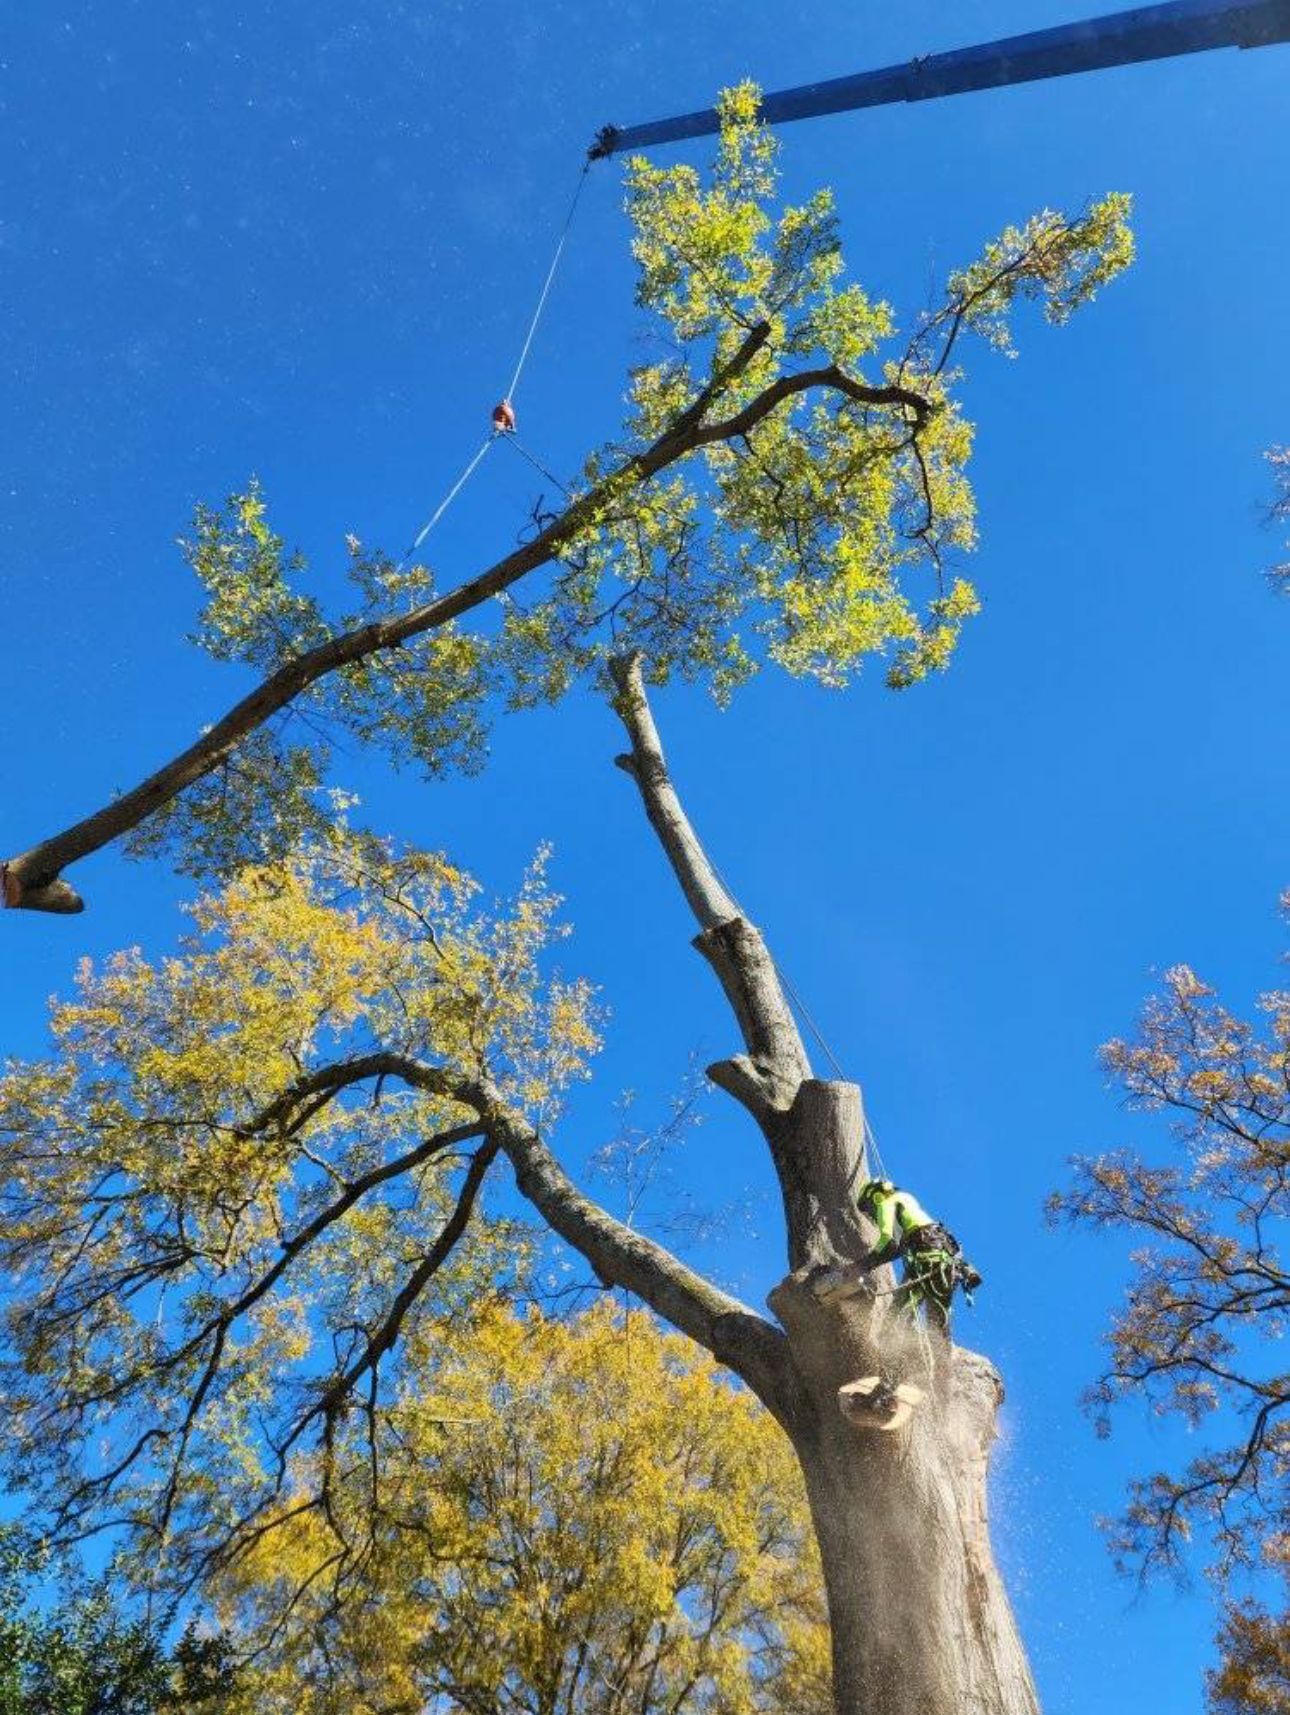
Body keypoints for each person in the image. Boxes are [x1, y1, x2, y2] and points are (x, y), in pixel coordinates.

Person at [855, 1178, 982, 1344]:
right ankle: (939, 1364)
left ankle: (890, 1353)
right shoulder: (907, 1201)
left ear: (875, 1196)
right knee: (938, 1323)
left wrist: (859, 1266)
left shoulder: (886, 1202)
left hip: (924, 1257)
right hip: (947, 1262)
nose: (871, 1215)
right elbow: (896, 1250)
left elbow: (887, 1240)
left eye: (868, 1208)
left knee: (896, 1315)